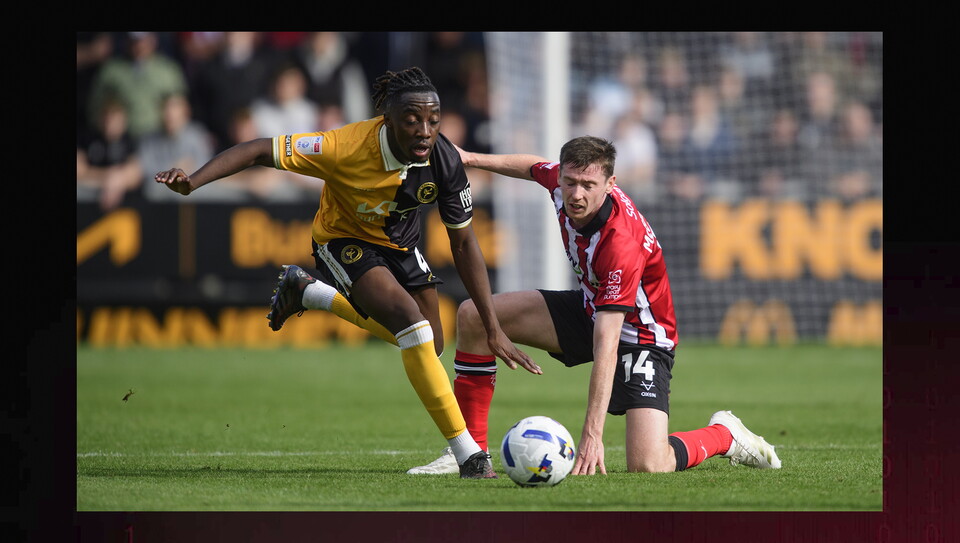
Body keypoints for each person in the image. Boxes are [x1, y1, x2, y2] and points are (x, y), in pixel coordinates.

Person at [153, 67, 535, 478]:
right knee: (413, 327)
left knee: (430, 342)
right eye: (412, 120)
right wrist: (194, 182)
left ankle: (311, 294)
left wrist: (493, 326)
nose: (425, 131)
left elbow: (464, 244)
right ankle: (469, 456)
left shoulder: (444, 160)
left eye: (433, 120)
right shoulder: (343, 146)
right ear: (386, 120)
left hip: (401, 246)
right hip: (343, 240)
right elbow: (259, 149)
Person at [406, 135, 782, 475]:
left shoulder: (620, 242)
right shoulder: (562, 183)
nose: (576, 194)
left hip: (642, 337)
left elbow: (607, 343)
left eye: (589, 185)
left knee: (649, 465)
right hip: (591, 308)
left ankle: (724, 434)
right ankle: (469, 451)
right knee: (472, 315)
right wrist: (470, 157)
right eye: (570, 182)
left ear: (610, 185)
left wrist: (592, 435)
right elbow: (532, 166)